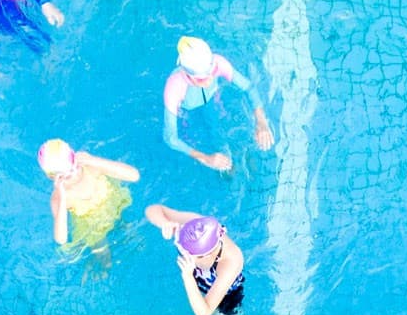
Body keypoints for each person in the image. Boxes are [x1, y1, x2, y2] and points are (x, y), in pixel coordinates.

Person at [162, 37, 273, 172]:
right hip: (187, 112)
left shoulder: (218, 63)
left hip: (213, 100)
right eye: (202, 79)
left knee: (225, 129)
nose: (209, 80)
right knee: (194, 141)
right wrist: (204, 158)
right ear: (187, 75)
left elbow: (248, 87)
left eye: (212, 72)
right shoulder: (174, 87)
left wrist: (261, 121)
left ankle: (241, 158)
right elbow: (171, 138)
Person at [39, 140, 139, 264]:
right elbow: (61, 239)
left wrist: (93, 160)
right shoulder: (59, 197)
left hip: (116, 205)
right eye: (68, 175)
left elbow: (134, 176)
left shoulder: (91, 166)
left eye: (75, 166)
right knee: (104, 257)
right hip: (93, 228)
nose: (75, 173)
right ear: (53, 177)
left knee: (133, 238)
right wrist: (62, 196)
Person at [143, 206, 245, 315]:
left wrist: (188, 277)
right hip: (198, 277)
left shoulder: (230, 262)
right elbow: (153, 209)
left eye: (186, 252)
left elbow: (203, 314)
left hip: (226, 294)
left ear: (205, 255)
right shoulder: (195, 226)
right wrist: (165, 223)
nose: (182, 253)